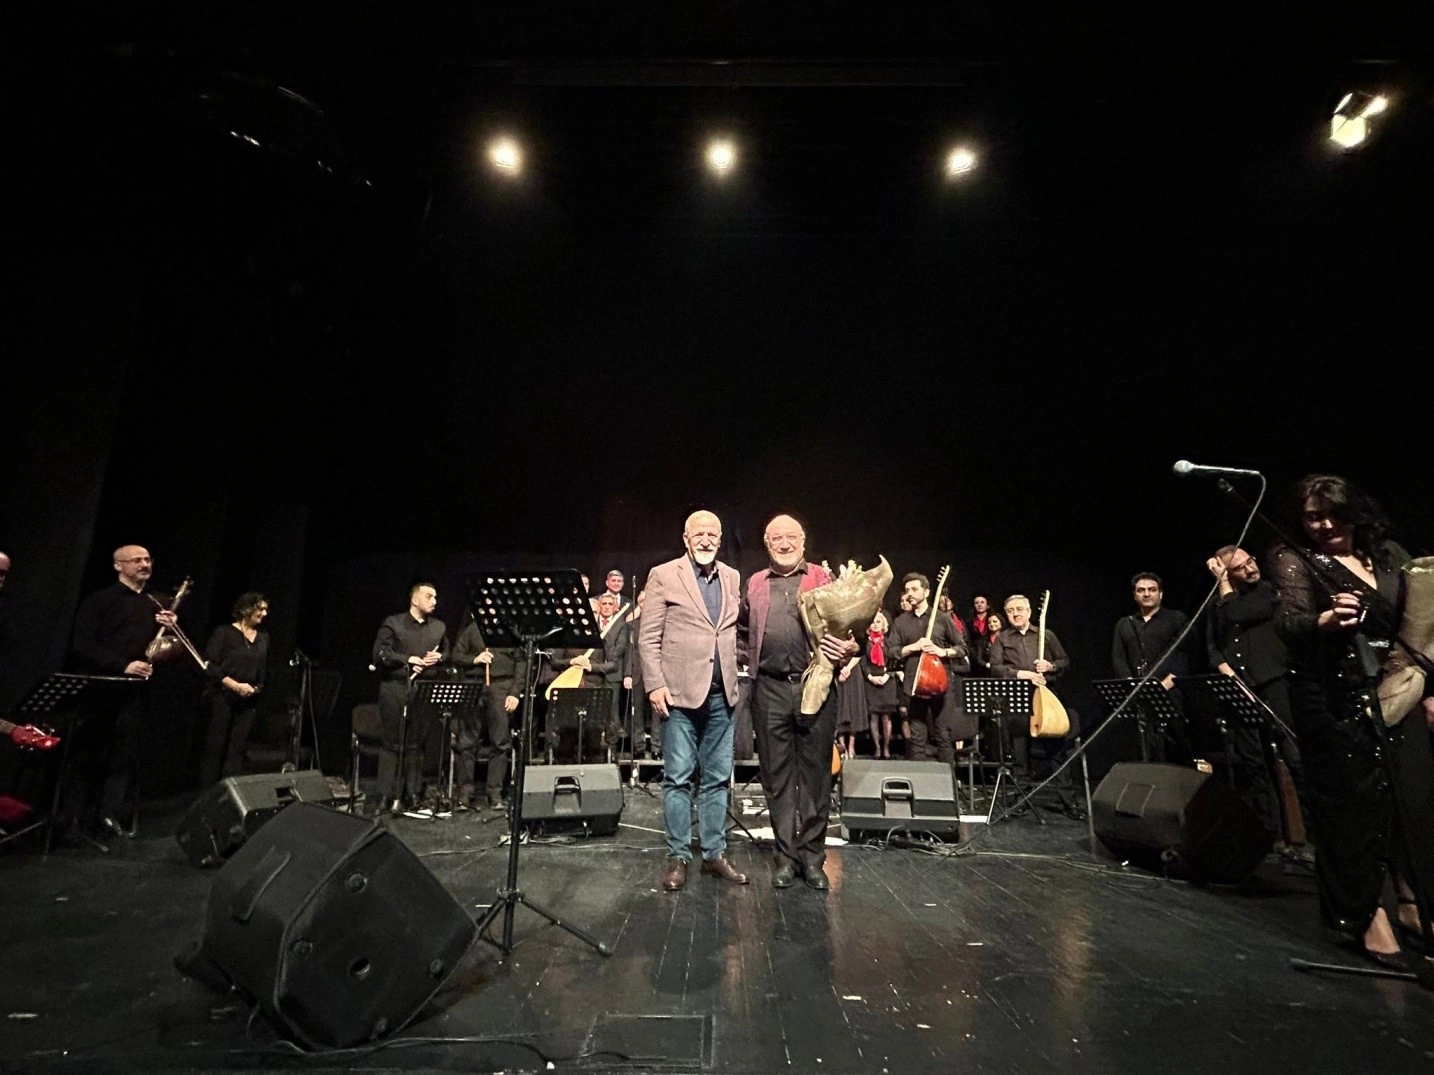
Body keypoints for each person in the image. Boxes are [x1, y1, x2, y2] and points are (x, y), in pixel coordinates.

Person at [1272, 473, 1433, 970]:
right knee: (1349, 809)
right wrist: (1324, 621)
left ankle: (1412, 904)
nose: (1322, 525)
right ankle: (1366, 917)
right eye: (1311, 517)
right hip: (1330, 696)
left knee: (1410, 800)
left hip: (1397, 689)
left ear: (1355, 512)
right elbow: (1290, 623)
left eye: (1332, 515)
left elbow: (1420, 623)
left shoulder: (1389, 555)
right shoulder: (1295, 558)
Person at [737, 514, 859, 890]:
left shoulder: (823, 577)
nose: (784, 543)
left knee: (816, 776)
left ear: (803, 541)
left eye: (791, 537)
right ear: (767, 543)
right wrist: (743, 660)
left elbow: (851, 630)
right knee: (776, 777)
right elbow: (742, 630)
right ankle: (786, 858)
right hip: (769, 689)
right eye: (776, 538)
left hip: (815, 685)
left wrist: (849, 647)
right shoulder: (756, 582)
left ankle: (812, 858)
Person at [637, 510, 748, 892]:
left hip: (722, 697)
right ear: (685, 538)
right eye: (698, 533)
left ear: (720, 538)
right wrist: (655, 684)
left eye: (712, 534)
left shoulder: (731, 577)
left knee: (717, 780)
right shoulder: (663, 574)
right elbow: (648, 637)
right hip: (679, 698)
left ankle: (714, 855)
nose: (706, 539)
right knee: (678, 779)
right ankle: (679, 857)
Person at [68, 544, 177, 840]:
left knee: (122, 756)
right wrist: (123, 665)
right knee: (88, 755)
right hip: (101, 688)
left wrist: (171, 631)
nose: (144, 564)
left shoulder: (157, 604)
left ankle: (108, 815)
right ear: (118, 565)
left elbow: (167, 650)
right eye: (137, 560)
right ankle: (75, 818)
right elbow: (82, 646)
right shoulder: (99, 601)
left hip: (135, 693)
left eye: (148, 559)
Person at [1205, 546, 1304, 842]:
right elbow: (1213, 647)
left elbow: (1237, 612)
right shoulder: (1216, 604)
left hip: (1274, 682)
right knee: (1254, 763)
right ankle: (1270, 834)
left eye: (1250, 561)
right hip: (1240, 688)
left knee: (1294, 757)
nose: (1250, 569)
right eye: (1240, 567)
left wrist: (1224, 583)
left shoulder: (1268, 592)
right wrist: (1231, 677)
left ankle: (1310, 834)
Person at [989, 594, 1078, 797]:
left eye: (1020, 609)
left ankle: (1068, 799)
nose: (1015, 614)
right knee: (1020, 751)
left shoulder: (1045, 635)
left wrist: (1050, 666)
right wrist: (1022, 674)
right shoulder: (1002, 639)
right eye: (1010, 611)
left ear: (1029, 612)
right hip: (1018, 698)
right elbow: (996, 668)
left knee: (1056, 749)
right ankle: (1022, 799)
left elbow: (1064, 661)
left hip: (1046, 697)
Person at [371, 582, 448, 814]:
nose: (434, 601)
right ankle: (386, 795)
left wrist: (439, 657)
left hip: (423, 689)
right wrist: (408, 659)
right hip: (395, 687)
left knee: (416, 744)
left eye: (435, 597)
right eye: (429, 596)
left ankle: (413, 794)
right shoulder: (393, 623)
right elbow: (379, 653)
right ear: (414, 600)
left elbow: (447, 652)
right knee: (392, 743)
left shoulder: (439, 627)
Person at [886, 573, 973, 766]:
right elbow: (891, 651)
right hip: (914, 685)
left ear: (926, 592)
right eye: (907, 590)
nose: (909, 593)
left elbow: (962, 648)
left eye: (914, 589)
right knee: (917, 738)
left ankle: (947, 780)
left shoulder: (942, 619)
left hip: (941, 685)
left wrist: (942, 651)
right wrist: (913, 647)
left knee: (943, 734)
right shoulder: (901, 622)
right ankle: (920, 780)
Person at [1111, 571, 1191, 761]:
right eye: (1141, 590)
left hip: (1171, 691)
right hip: (1139, 696)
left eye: (1152, 590)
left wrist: (1166, 683)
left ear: (1160, 594)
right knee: (1146, 747)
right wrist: (1131, 685)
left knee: (1175, 746)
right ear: (1135, 595)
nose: (1146, 594)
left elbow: (1185, 654)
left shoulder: (1177, 618)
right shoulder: (1125, 624)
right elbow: (1119, 659)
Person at [449, 615, 521, 811]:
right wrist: (475, 659)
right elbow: (456, 656)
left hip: (501, 686)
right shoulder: (471, 630)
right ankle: (464, 794)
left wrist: (515, 693)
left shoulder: (509, 631)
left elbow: (521, 663)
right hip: (474, 685)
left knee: (500, 742)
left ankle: (495, 793)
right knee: (467, 742)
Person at [198, 592, 269, 788]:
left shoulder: (263, 637)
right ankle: (208, 792)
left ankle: (230, 793)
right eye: (260, 609)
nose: (264, 613)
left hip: (248, 698)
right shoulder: (224, 633)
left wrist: (255, 688)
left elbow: (262, 669)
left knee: (238, 748)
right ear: (246, 609)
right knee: (215, 746)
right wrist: (235, 685)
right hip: (222, 695)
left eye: (266, 609)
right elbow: (210, 665)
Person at [862, 609, 901, 759]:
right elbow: (863, 662)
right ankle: (877, 748)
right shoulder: (865, 643)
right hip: (871, 680)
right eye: (873, 622)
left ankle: (886, 748)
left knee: (886, 717)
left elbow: (894, 660)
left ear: (883, 624)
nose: (875, 624)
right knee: (874, 717)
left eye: (878, 622)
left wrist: (887, 675)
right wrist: (870, 677)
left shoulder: (889, 642)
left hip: (887, 680)